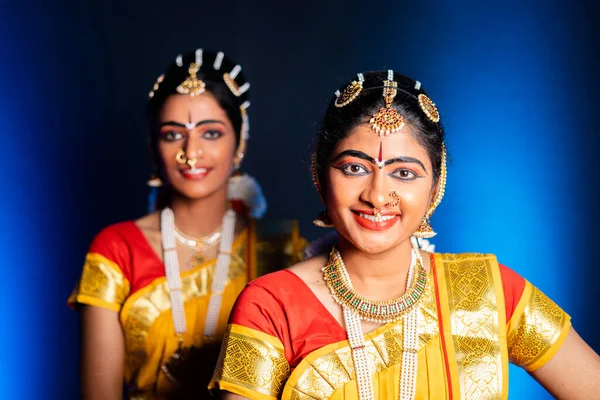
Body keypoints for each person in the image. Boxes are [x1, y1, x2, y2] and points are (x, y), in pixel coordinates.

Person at [209, 70, 600, 399]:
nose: (378, 196)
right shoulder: (271, 307)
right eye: (354, 168)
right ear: (319, 174)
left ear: (435, 187)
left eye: (404, 173)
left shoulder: (489, 292)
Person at [68, 49, 306, 399]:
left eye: (211, 133)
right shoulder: (117, 250)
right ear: (154, 146)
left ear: (239, 143)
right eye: (172, 134)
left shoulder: (281, 250)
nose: (190, 152)